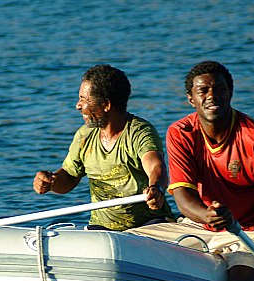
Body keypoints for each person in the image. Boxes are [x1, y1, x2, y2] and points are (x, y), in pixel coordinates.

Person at [132, 61, 254, 281]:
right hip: (199, 225)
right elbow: (183, 198)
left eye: (219, 90)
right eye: (203, 91)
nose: (212, 96)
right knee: (127, 244)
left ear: (230, 94)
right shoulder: (180, 133)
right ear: (191, 99)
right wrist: (209, 216)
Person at [33, 64, 173, 231]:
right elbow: (69, 179)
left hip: (148, 225)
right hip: (101, 229)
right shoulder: (84, 136)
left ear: (106, 104)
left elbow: (156, 166)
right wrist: (51, 182)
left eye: (84, 99)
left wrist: (156, 188)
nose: (78, 106)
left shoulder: (139, 131)